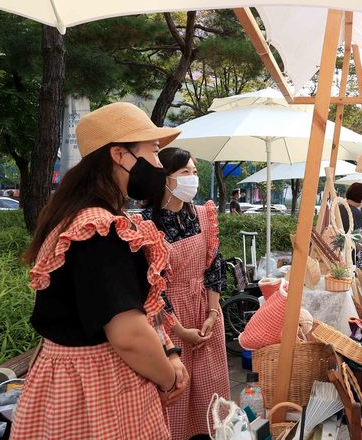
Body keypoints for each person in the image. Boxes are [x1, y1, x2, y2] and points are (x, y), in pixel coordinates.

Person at [12, 103, 189, 439]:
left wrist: (170, 352)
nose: (158, 165)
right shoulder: (98, 229)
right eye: (153, 152)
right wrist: (168, 378)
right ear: (120, 155)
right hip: (96, 390)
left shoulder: (77, 218)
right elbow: (129, 335)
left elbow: (136, 313)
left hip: (69, 384)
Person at [142, 147, 230, 440]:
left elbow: (214, 267)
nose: (192, 178)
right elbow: (153, 285)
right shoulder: (147, 224)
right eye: (184, 173)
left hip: (205, 314)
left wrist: (212, 313)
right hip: (169, 321)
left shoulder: (203, 215)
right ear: (165, 179)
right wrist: (180, 329)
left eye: (194, 172)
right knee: (175, 396)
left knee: (211, 394)